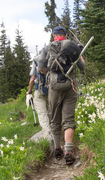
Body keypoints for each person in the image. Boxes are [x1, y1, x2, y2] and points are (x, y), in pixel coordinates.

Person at [38, 26, 85, 165]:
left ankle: (58, 148)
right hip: (70, 85)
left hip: (54, 87)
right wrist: (80, 53)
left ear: (54, 35)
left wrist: (50, 75)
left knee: (54, 117)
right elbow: (82, 67)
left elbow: (40, 67)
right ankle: (68, 151)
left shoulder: (47, 48)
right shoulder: (72, 46)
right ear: (65, 35)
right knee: (69, 118)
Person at [27, 53, 52, 140]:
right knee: (50, 111)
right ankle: (54, 132)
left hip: (39, 92)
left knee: (42, 113)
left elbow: (32, 80)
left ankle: (47, 133)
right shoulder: (50, 61)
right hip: (50, 91)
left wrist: (29, 91)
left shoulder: (36, 62)